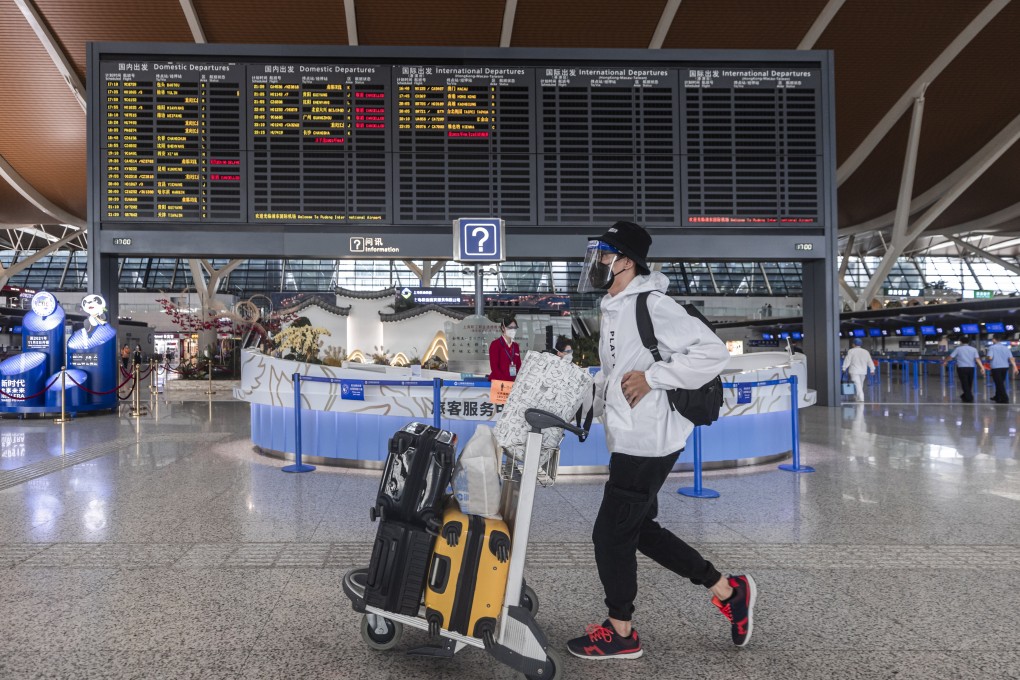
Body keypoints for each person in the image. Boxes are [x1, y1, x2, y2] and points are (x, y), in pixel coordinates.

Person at [567, 221, 755, 660]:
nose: (597, 264)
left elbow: (712, 353)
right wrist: (586, 404)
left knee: (609, 537)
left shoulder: (652, 304)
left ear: (627, 261)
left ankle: (621, 631)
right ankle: (729, 591)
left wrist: (653, 378)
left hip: (649, 440)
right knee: (637, 531)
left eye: (605, 255)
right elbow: (615, 375)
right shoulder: (613, 307)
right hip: (630, 436)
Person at [944, 338, 984, 403]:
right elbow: (977, 359)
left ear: (961, 342)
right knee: (969, 382)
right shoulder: (974, 349)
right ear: (968, 342)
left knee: (964, 382)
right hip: (971, 367)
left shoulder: (958, 349)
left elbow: (951, 356)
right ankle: (965, 395)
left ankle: (969, 398)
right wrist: (982, 367)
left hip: (961, 368)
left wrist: (945, 361)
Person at [488, 315, 521, 381]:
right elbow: (494, 368)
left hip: (513, 383)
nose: (513, 330)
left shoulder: (515, 346)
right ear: (503, 328)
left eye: (515, 328)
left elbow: (518, 365)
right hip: (499, 382)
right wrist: (506, 382)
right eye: (510, 327)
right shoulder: (495, 344)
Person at [985, 336, 1017, 404]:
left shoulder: (992, 347)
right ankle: (997, 396)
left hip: (996, 368)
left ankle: (1005, 398)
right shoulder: (1006, 348)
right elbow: (1011, 358)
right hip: (1005, 367)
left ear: (994, 339)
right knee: (1000, 382)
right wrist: (1015, 367)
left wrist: (986, 357)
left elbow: (990, 358)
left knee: (999, 383)